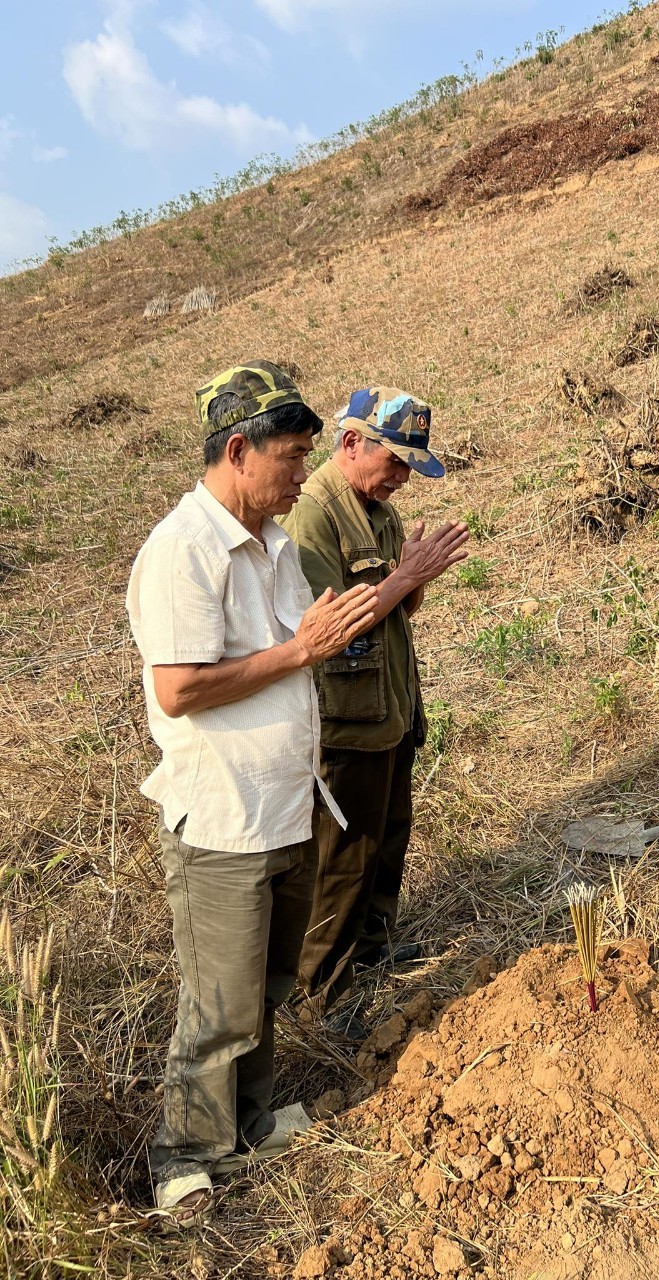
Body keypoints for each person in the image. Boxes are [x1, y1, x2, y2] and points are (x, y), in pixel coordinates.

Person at [126, 361, 379, 1227]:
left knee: (268, 985)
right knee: (219, 1004)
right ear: (239, 450)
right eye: (293, 456)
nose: (303, 474)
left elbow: (308, 642)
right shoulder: (183, 552)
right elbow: (181, 689)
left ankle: (250, 1120)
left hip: (283, 805)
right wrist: (301, 653)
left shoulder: (271, 545)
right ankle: (183, 1156)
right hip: (224, 818)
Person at [279, 387, 469, 1030]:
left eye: (411, 463)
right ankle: (323, 995)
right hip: (344, 719)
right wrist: (403, 579)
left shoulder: (378, 511)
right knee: (345, 855)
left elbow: (394, 610)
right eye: (394, 459)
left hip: (389, 703)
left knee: (389, 835)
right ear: (352, 442)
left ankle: (374, 949)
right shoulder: (312, 512)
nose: (402, 476)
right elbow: (327, 626)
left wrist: (413, 583)